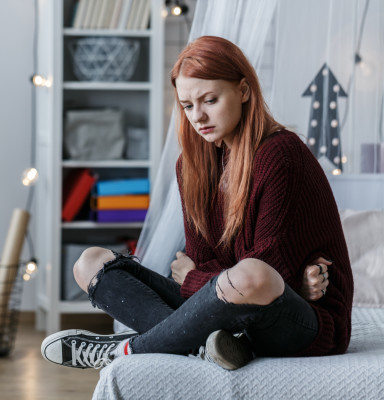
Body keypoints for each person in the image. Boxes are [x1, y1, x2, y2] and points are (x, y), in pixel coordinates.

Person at [41, 36, 354, 371]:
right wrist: (198, 278)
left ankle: (128, 350)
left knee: (251, 274)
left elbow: (265, 273)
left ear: (244, 91)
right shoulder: (191, 166)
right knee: (90, 263)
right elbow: (203, 263)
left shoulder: (281, 154)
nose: (199, 116)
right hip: (228, 310)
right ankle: (206, 346)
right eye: (188, 106)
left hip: (305, 320)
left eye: (210, 100)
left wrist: (193, 278)